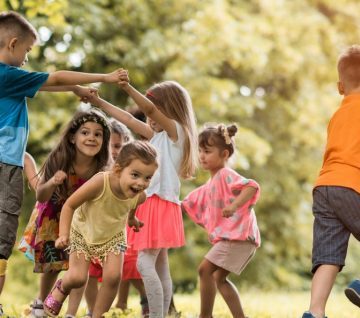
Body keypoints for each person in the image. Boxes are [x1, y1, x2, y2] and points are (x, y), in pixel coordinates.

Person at [0, 10, 123, 310]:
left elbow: (46, 84)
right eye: (27, 51)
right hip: (5, 166)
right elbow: (53, 77)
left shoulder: (8, 79)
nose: (27, 58)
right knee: (2, 240)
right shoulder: (5, 74)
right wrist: (104, 77)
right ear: (12, 44)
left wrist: (75, 89)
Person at [87, 77, 198, 317]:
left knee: (143, 263)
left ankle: (156, 314)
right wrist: (98, 102)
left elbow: (147, 109)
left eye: (155, 111)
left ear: (169, 110)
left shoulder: (176, 133)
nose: (149, 117)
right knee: (160, 266)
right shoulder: (157, 137)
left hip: (159, 203)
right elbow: (127, 119)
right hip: (153, 203)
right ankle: (162, 314)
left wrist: (126, 87)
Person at [43, 140, 158, 318]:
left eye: (148, 178)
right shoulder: (100, 182)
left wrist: (131, 218)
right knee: (78, 277)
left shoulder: (140, 195)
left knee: (113, 277)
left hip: (113, 236)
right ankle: (61, 286)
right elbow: (69, 205)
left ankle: (97, 315)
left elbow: (133, 204)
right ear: (118, 170)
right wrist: (63, 234)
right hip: (83, 230)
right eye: (135, 175)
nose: (141, 183)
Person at [18, 108, 111, 317]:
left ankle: (70, 312)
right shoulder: (60, 158)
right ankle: (40, 303)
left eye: (98, 134)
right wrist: (52, 181)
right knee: (53, 265)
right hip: (53, 214)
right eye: (85, 132)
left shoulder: (103, 167)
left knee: (79, 267)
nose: (91, 138)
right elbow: (41, 195)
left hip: (83, 219)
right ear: (72, 137)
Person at [301, 45, 360, 318]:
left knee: (328, 256)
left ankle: (315, 311)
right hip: (353, 185)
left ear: (340, 87)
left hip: (325, 186)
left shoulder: (339, 114)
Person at [181, 123, 260, 318]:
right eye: (200, 151)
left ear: (224, 154)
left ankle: (205, 316)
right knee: (218, 278)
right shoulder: (211, 183)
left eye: (207, 151)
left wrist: (234, 206)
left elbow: (251, 186)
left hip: (238, 237)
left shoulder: (225, 175)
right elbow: (190, 201)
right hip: (238, 238)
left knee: (204, 270)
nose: (201, 156)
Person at [84, 118, 135, 317]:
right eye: (109, 145)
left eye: (117, 146)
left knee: (113, 275)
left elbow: (135, 198)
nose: (113, 151)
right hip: (89, 229)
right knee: (88, 273)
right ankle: (91, 309)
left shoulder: (127, 173)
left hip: (114, 231)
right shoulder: (94, 169)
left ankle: (99, 311)